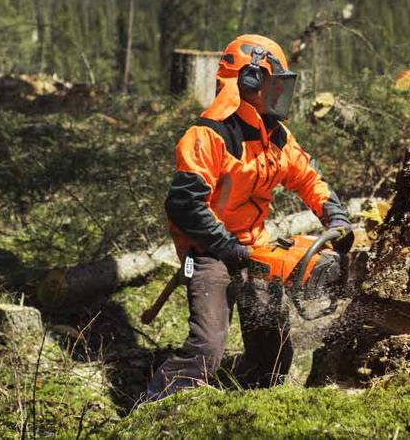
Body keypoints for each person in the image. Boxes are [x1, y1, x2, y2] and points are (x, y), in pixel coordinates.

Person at [146, 34, 353, 400]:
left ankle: (236, 390)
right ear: (249, 81)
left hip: (253, 247)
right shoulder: (209, 135)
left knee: (274, 357)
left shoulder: (275, 134)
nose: (279, 92)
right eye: (274, 84)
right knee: (207, 347)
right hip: (208, 251)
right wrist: (225, 247)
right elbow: (184, 205)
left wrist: (334, 216)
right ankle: (157, 405)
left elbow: (307, 176)